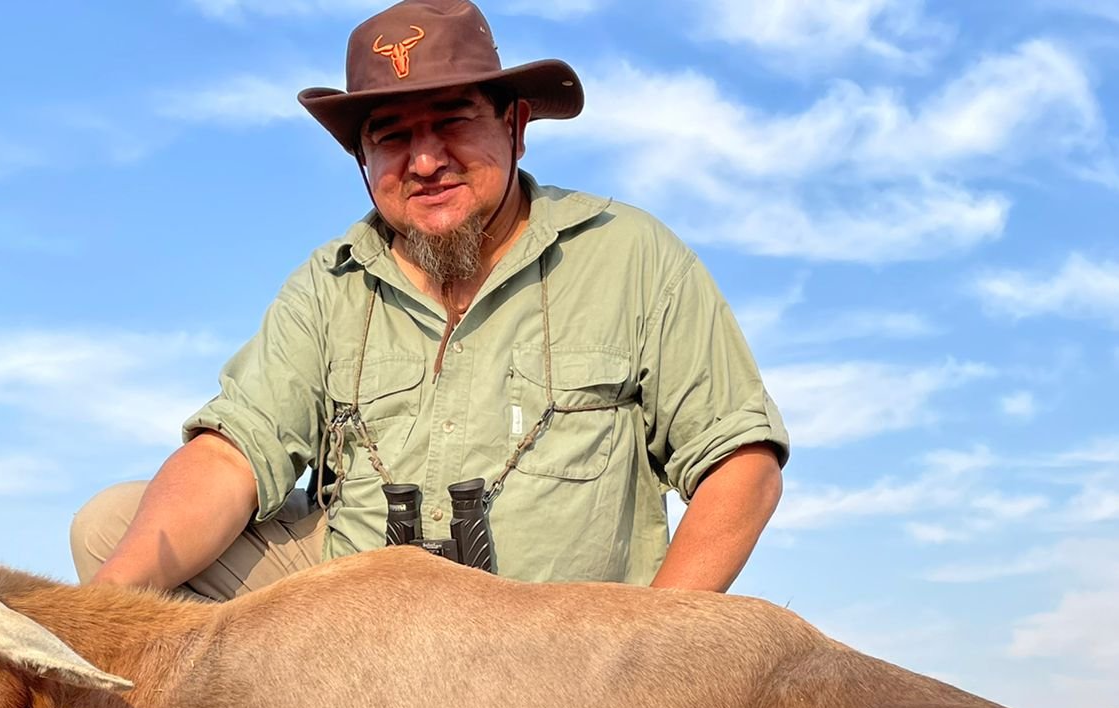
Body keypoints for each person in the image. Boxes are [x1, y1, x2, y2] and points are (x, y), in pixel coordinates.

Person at [72, 0, 787, 598]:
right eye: (391, 136)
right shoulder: (330, 283)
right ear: (364, 160)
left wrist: (649, 647)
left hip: (564, 646)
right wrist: (98, 617)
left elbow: (740, 464)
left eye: (452, 120)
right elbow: (235, 454)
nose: (423, 160)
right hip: (359, 622)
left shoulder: (629, 254)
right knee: (111, 531)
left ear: (516, 126)